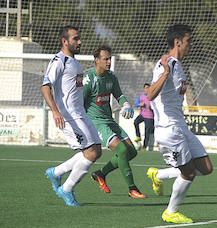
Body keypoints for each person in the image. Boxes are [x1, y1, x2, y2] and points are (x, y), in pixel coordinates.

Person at [145, 24, 214, 224]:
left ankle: (158, 175)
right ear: (177, 42)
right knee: (189, 172)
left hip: (181, 126)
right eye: (188, 41)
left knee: (206, 167)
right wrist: (165, 73)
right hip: (168, 129)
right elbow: (150, 94)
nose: (191, 44)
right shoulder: (166, 64)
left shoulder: (179, 64)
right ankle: (170, 212)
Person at [41, 25, 102, 207]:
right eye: (75, 38)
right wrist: (55, 109)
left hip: (80, 114)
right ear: (64, 41)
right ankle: (67, 188)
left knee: (96, 151)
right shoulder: (59, 61)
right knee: (90, 153)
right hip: (69, 116)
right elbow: (45, 86)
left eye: (79, 37)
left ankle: (56, 172)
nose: (80, 41)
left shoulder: (74, 61)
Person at [83, 45, 145, 199]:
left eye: (110, 58)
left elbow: (119, 95)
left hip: (109, 120)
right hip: (96, 123)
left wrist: (126, 104)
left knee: (132, 152)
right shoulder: (89, 79)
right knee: (122, 151)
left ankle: (101, 174)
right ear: (97, 60)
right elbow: (79, 103)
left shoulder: (111, 77)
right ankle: (132, 188)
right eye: (106, 59)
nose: (109, 61)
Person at [133, 82, 155, 151]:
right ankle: (138, 136)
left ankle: (144, 147)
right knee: (135, 122)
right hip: (142, 115)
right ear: (144, 89)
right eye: (145, 88)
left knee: (147, 132)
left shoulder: (153, 97)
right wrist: (140, 104)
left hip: (149, 117)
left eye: (148, 88)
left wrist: (151, 107)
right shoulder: (141, 96)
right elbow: (135, 105)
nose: (146, 89)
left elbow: (157, 107)